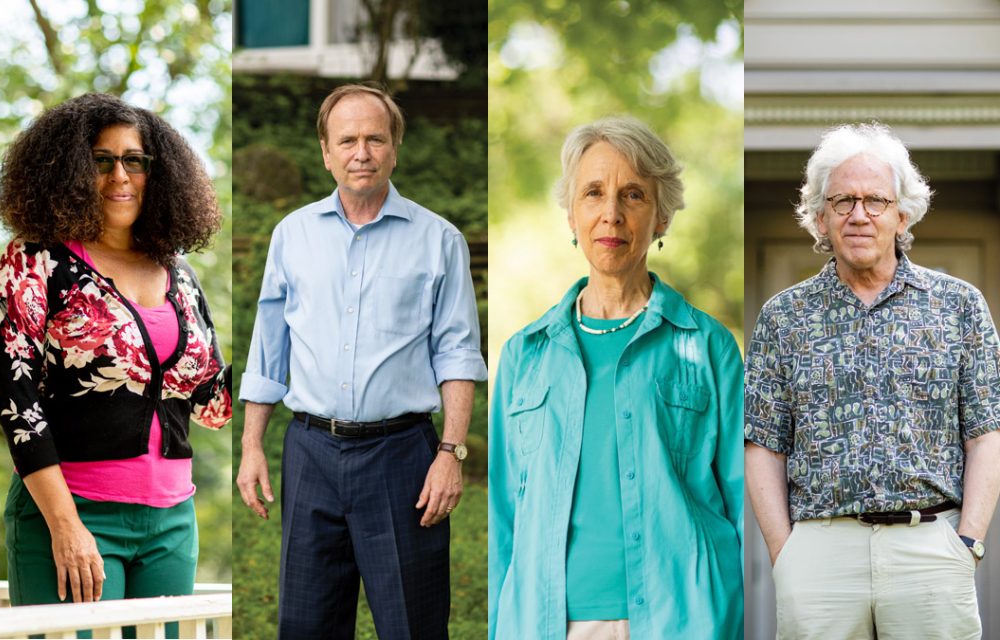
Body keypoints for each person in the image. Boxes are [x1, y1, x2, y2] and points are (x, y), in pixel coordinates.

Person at [236, 83, 487, 640]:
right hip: (310, 454)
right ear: (325, 151)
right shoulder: (292, 235)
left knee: (412, 626)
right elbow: (269, 348)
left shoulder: (438, 239)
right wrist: (252, 445)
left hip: (403, 459)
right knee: (306, 626)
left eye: (375, 138)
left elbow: (457, 353)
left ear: (395, 147)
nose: (362, 152)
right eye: (347, 140)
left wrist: (451, 452)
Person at [0, 93, 231, 637]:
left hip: (171, 521)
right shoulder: (35, 260)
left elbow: (212, 402)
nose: (120, 174)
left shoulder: (179, 274)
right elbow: (12, 398)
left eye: (134, 160)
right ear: (68, 171)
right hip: (74, 512)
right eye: (101, 160)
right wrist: (65, 525)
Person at [488, 116, 744, 640]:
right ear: (571, 214)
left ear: (662, 217)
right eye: (593, 193)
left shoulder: (709, 346)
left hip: (685, 620)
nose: (611, 214)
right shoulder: (523, 355)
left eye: (633, 195)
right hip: (547, 623)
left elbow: (745, 506)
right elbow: (502, 519)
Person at [744, 122, 1000, 639]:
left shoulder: (960, 307)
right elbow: (762, 445)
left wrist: (967, 542)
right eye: (842, 201)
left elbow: (986, 432)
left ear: (902, 214)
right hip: (819, 552)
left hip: (930, 545)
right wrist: (784, 554)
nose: (859, 214)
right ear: (820, 217)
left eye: (875, 201)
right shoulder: (783, 317)